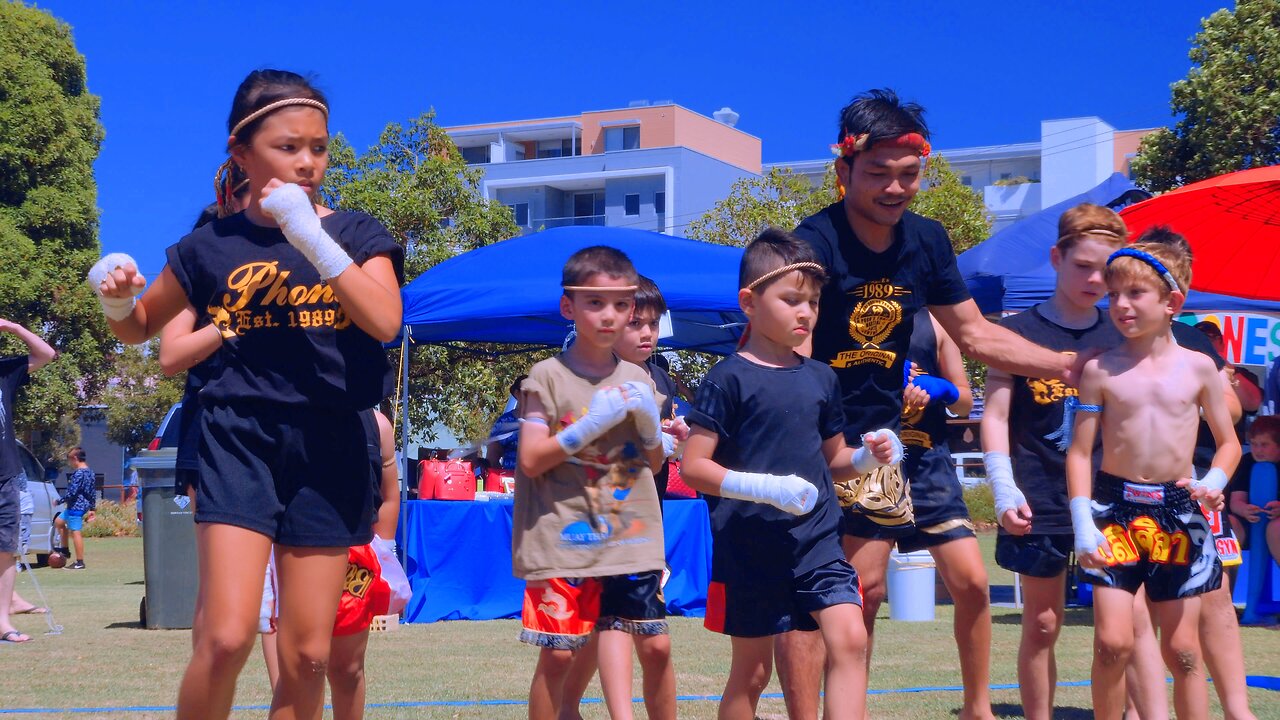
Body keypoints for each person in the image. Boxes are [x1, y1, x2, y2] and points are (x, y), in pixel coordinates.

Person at [88, 69, 404, 719]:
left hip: (331, 442)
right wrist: (116, 297)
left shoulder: (357, 234)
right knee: (228, 636)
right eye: (288, 147)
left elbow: (384, 320)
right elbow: (143, 332)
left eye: (318, 147)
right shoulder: (210, 246)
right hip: (239, 437)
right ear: (241, 153)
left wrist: (308, 235)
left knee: (309, 654)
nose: (308, 162)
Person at [780, 89, 1088, 719]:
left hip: (912, 445)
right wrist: (818, 447)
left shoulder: (926, 240)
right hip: (839, 445)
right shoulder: (812, 242)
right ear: (842, 171)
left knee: (973, 582)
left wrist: (1070, 364)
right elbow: (796, 352)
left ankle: (977, 709)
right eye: (879, 174)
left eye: (909, 175)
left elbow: (975, 335)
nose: (896, 189)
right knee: (854, 592)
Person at [682, 228, 899, 720]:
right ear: (749, 302)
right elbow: (694, 467)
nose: (806, 312)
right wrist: (763, 488)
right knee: (753, 673)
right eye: (792, 299)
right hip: (750, 545)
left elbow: (834, 461)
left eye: (814, 302)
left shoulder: (823, 378)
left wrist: (868, 458)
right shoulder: (727, 378)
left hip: (818, 542)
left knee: (850, 637)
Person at [1066, 241, 1240, 720]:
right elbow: (1080, 451)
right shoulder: (1100, 369)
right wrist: (1083, 519)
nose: (1120, 305)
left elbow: (1230, 442)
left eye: (1135, 293)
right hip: (1112, 511)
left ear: (1172, 303)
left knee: (1184, 651)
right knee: (1111, 643)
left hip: (1180, 512)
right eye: (1114, 294)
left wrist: (1216, 478)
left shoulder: (1200, 368)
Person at [979, 203, 1127, 720]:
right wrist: (1002, 486)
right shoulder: (1015, 331)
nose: (1094, 279)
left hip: (1112, 500)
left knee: (1119, 631)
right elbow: (995, 415)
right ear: (1056, 257)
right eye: (1082, 265)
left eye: (1106, 270)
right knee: (1042, 624)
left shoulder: (1123, 333)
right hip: (1036, 496)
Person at [512, 246, 672, 720]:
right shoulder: (547, 375)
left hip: (630, 536)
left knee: (657, 648)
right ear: (569, 307)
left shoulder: (641, 379)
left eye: (621, 305)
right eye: (595, 303)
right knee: (561, 652)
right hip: (563, 537)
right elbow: (531, 460)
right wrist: (589, 424)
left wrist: (650, 427)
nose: (611, 316)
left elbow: (654, 465)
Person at [1123, 226, 1257, 720]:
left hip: (1193, 484)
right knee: (1134, 602)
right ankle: (1141, 708)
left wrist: (1187, 398)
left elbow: (1233, 412)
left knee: (1215, 595)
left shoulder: (1194, 341)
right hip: (1124, 489)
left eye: (1176, 273)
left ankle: (1238, 709)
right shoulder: (1116, 331)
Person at [557, 275, 686, 720]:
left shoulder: (660, 378)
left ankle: (567, 706)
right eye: (637, 324)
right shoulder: (592, 376)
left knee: (629, 633)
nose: (647, 333)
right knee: (620, 625)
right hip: (603, 522)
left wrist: (676, 437)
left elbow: (657, 456)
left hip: (648, 519)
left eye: (653, 323)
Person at [898, 309, 994, 717]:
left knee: (973, 584)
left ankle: (978, 707)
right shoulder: (843, 308)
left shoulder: (936, 321)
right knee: (864, 594)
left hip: (930, 466)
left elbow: (967, 398)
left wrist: (944, 390)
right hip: (865, 463)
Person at [328, 409, 410, 720]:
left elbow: (388, 494)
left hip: (354, 555)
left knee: (348, 669)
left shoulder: (376, 424)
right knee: (298, 665)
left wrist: (383, 548)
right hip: (295, 549)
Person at [0, 319, 56, 644]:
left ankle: (3, 623)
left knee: (6, 552)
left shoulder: (5, 372)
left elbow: (46, 354)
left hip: (6, 477)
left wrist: (13, 328)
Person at [1230, 416, 1280, 573]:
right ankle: (1225, 584)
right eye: (1254, 444)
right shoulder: (1247, 462)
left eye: (1264, 445)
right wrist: (1244, 510)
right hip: (1250, 525)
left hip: (1276, 526)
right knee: (1228, 523)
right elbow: (1236, 501)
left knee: (1275, 528)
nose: (1258, 450)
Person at [55, 447, 97, 570]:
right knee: (59, 522)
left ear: (75, 458)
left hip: (76, 506)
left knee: (75, 532)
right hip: (79, 505)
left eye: (69, 460)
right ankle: (65, 550)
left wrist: (59, 500)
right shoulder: (90, 472)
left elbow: (72, 492)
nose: (70, 464)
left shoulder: (78, 473)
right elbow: (92, 492)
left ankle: (80, 562)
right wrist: (92, 508)